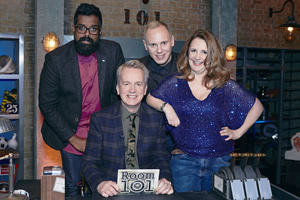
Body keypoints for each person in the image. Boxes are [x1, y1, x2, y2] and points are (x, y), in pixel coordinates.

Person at [146, 29, 264, 192]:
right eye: (193, 50)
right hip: (184, 162)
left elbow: (257, 107)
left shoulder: (225, 85)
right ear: (187, 53)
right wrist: (167, 108)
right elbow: (150, 98)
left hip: (219, 162)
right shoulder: (176, 83)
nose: (197, 56)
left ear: (213, 55)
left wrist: (238, 132)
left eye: (204, 52)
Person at [38, 3, 124, 197]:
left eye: (93, 29)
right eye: (81, 28)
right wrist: (73, 139)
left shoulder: (113, 52)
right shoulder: (56, 59)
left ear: (99, 31)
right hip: (70, 133)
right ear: (74, 29)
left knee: (105, 187)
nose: (86, 34)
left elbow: (120, 93)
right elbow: (47, 104)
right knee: (73, 187)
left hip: (104, 135)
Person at [81, 60, 174, 198]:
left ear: (145, 89)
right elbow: (89, 162)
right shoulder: (100, 119)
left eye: (138, 84)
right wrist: (100, 184)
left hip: (147, 193)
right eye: (126, 84)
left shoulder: (156, 119)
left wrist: (165, 180)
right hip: (112, 193)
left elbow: (161, 158)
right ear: (118, 88)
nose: (132, 90)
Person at [139, 20, 178, 152]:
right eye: (153, 45)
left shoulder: (187, 66)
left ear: (172, 41)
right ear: (145, 45)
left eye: (164, 43)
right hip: (147, 142)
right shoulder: (137, 68)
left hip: (181, 143)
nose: (159, 50)